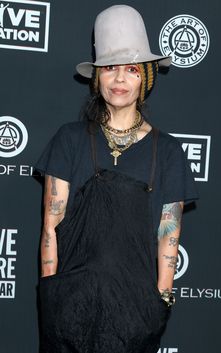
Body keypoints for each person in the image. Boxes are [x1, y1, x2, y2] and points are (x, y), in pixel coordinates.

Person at [35, 5, 198, 353]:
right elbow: (51, 226)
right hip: (66, 316)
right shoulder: (69, 140)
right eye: (110, 68)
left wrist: (161, 300)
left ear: (146, 77)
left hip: (134, 318)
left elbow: (169, 234)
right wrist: (52, 297)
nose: (120, 79)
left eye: (131, 69)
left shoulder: (166, 152)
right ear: (98, 78)